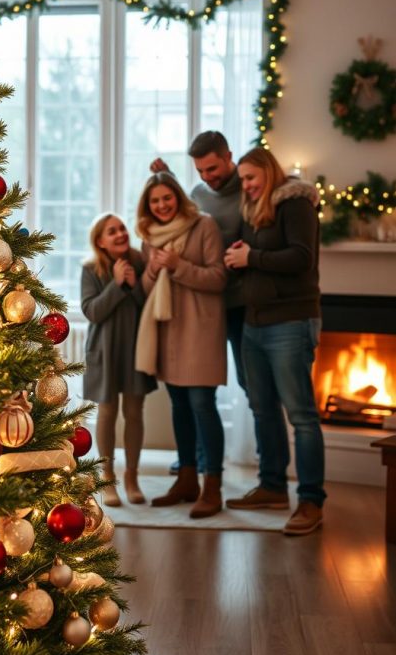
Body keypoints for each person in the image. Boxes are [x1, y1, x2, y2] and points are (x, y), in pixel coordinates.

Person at [223, 147, 326, 536]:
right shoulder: (255, 209)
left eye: (251, 178)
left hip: (291, 321)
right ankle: (272, 486)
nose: (245, 185)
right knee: (262, 408)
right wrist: (239, 257)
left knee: (301, 415)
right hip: (255, 322)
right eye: (243, 179)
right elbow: (256, 255)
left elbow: (301, 258)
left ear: (269, 172)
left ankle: (312, 500)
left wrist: (252, 258)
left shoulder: (295, 202)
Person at [151, 131, 245, 474]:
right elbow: (181, 216)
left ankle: (260, 475)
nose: (207, 177)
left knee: (241, 389)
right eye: (201, 171)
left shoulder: (245, 190)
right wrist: (169, 179)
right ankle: (194, 460)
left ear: (229, 155)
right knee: (186, 392)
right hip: (200, 306)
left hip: (240, 301)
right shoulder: (198, 195)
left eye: (212, 168)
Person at [135, 172, 227, 518]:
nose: (161, 206)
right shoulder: (149, 238)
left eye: (166, 198)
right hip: (169, 332)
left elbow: (218, 278)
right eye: (155, 201)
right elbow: (147, 290)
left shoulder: (204, 226)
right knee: (179, 405)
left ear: (178, 198)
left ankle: (213, 487)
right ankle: (187, 480)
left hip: (201, 330)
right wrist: (153, 270)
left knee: (202, 404)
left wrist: (177, 265)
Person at [81, 214, 156, 507]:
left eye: (122, 228)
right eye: (112, 231)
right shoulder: (91, 270)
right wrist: (116, 283)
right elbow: (93, 311)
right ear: (101, 241)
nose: (120, 234)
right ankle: (108, 478)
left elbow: (147, 303)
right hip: (105, 351)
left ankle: (132, 477)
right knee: (107, 412)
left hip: (136, 348)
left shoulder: (140, 262)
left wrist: (134, 283)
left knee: (135, 412)